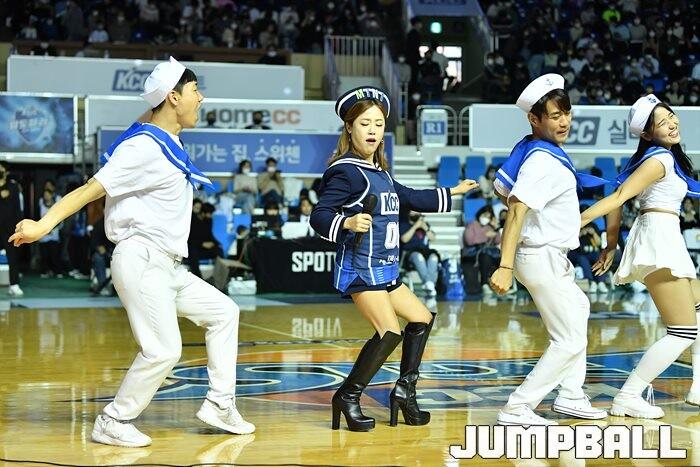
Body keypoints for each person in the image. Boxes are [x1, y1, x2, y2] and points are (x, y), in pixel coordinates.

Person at [9, 57, 254, 447]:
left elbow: (150, 116)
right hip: (142, 260)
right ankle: (113, 420)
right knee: (163, 350)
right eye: (195, 90)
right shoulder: (143, 148)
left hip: (168, 266)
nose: (202, 98)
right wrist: (43, 224)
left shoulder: (161, 137)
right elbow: (90, 189)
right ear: (173, 97)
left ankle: (219, 404)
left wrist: (158, 99)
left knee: (225, 313)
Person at [310, 86, 478, 431]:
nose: (372, 130)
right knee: (388, 332)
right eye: (364, 124)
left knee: (422, 319)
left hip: (384, 269)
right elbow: (320, 215)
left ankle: (404, 392)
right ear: (349, 128)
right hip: (360, 268)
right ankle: (347, 396)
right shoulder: (345, 171)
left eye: (378, 124)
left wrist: (454, 191)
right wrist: (347, 223)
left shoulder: (381, 173)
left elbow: (411, 197)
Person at [489, 74, 608, 426]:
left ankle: (570, 394)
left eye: (566, 113)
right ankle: (517, 406)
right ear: (534, 119)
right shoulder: (543, 161)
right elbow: (515, 210)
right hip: (541, 255)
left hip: (550, 255)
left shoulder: (535, 151)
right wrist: (505, 266)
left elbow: (503, 191)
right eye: (555, 115)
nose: (564, 121)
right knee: (568, 339)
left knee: (580, 308)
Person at [581, 94, 699, 418]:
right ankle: (629, 395)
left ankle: (698, 387)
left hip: (665, 235)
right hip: (659, 237)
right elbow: (619, 195)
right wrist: (578, 221)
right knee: (683, 331)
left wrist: (611, 243)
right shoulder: (658, 159)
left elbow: (617, 197)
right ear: (647, 133)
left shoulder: (661, 158)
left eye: (671, 116)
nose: (672, 123)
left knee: (699, 309)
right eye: (662, 122)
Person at [462, 206, 501, 296]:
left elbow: (497, 241)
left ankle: (499, 284)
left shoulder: (490, 227)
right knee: (485, 257)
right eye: (485, 215)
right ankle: (484, 283)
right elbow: (469, 240)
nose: (486, 218)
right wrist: (485, 236)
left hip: (487, 251)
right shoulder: (472, 225)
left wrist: (496, 229)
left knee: (498, 258)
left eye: (488, 217)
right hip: (473, 252)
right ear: (480, 214)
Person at [399, 210, 439, 297]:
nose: (415, 213)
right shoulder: (404, 225)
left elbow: (432, 238)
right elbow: (404, 239)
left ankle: (429, 284)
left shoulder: (425, 225)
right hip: (410, 253)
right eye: (413, 212)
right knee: (418, 256)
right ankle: (429, 283)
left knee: (434, 257)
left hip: (425, 252)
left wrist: (426, 228)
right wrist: (415, 227)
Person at [0, 162, 23, 296]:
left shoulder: (13, 186)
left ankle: (14, 285)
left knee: (12, 258)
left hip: (9, 229)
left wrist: (19, 228)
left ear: (6, 172)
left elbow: (17, 208)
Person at [188, 202, 223, 278]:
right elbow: (190, 239)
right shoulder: (192, 220)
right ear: (203, 213)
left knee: (219, 250)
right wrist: (202, 244)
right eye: (209, 214)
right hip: (195, 247)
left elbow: (210, 235)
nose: (210, 216)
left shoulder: (209, 221)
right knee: (192, 251)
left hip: (204, 249)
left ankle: (218, 278)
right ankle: (198, 278)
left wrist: (215, 243)